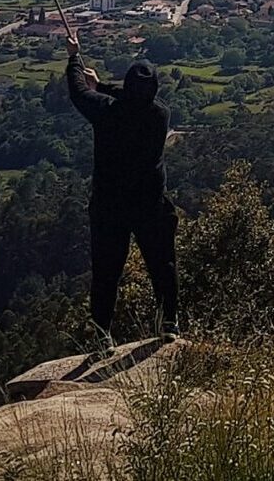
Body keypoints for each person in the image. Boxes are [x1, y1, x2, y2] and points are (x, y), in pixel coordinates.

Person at [65, 34, 179, 356]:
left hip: (109, 207)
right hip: (149, 205)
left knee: (106, 272)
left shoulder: (107, 113)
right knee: (162, 263)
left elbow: (77, 93)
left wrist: (74, 58)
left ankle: (103, 334)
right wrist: (102, 85)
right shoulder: (160, 115)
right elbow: (134, 99)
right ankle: (169, 322)